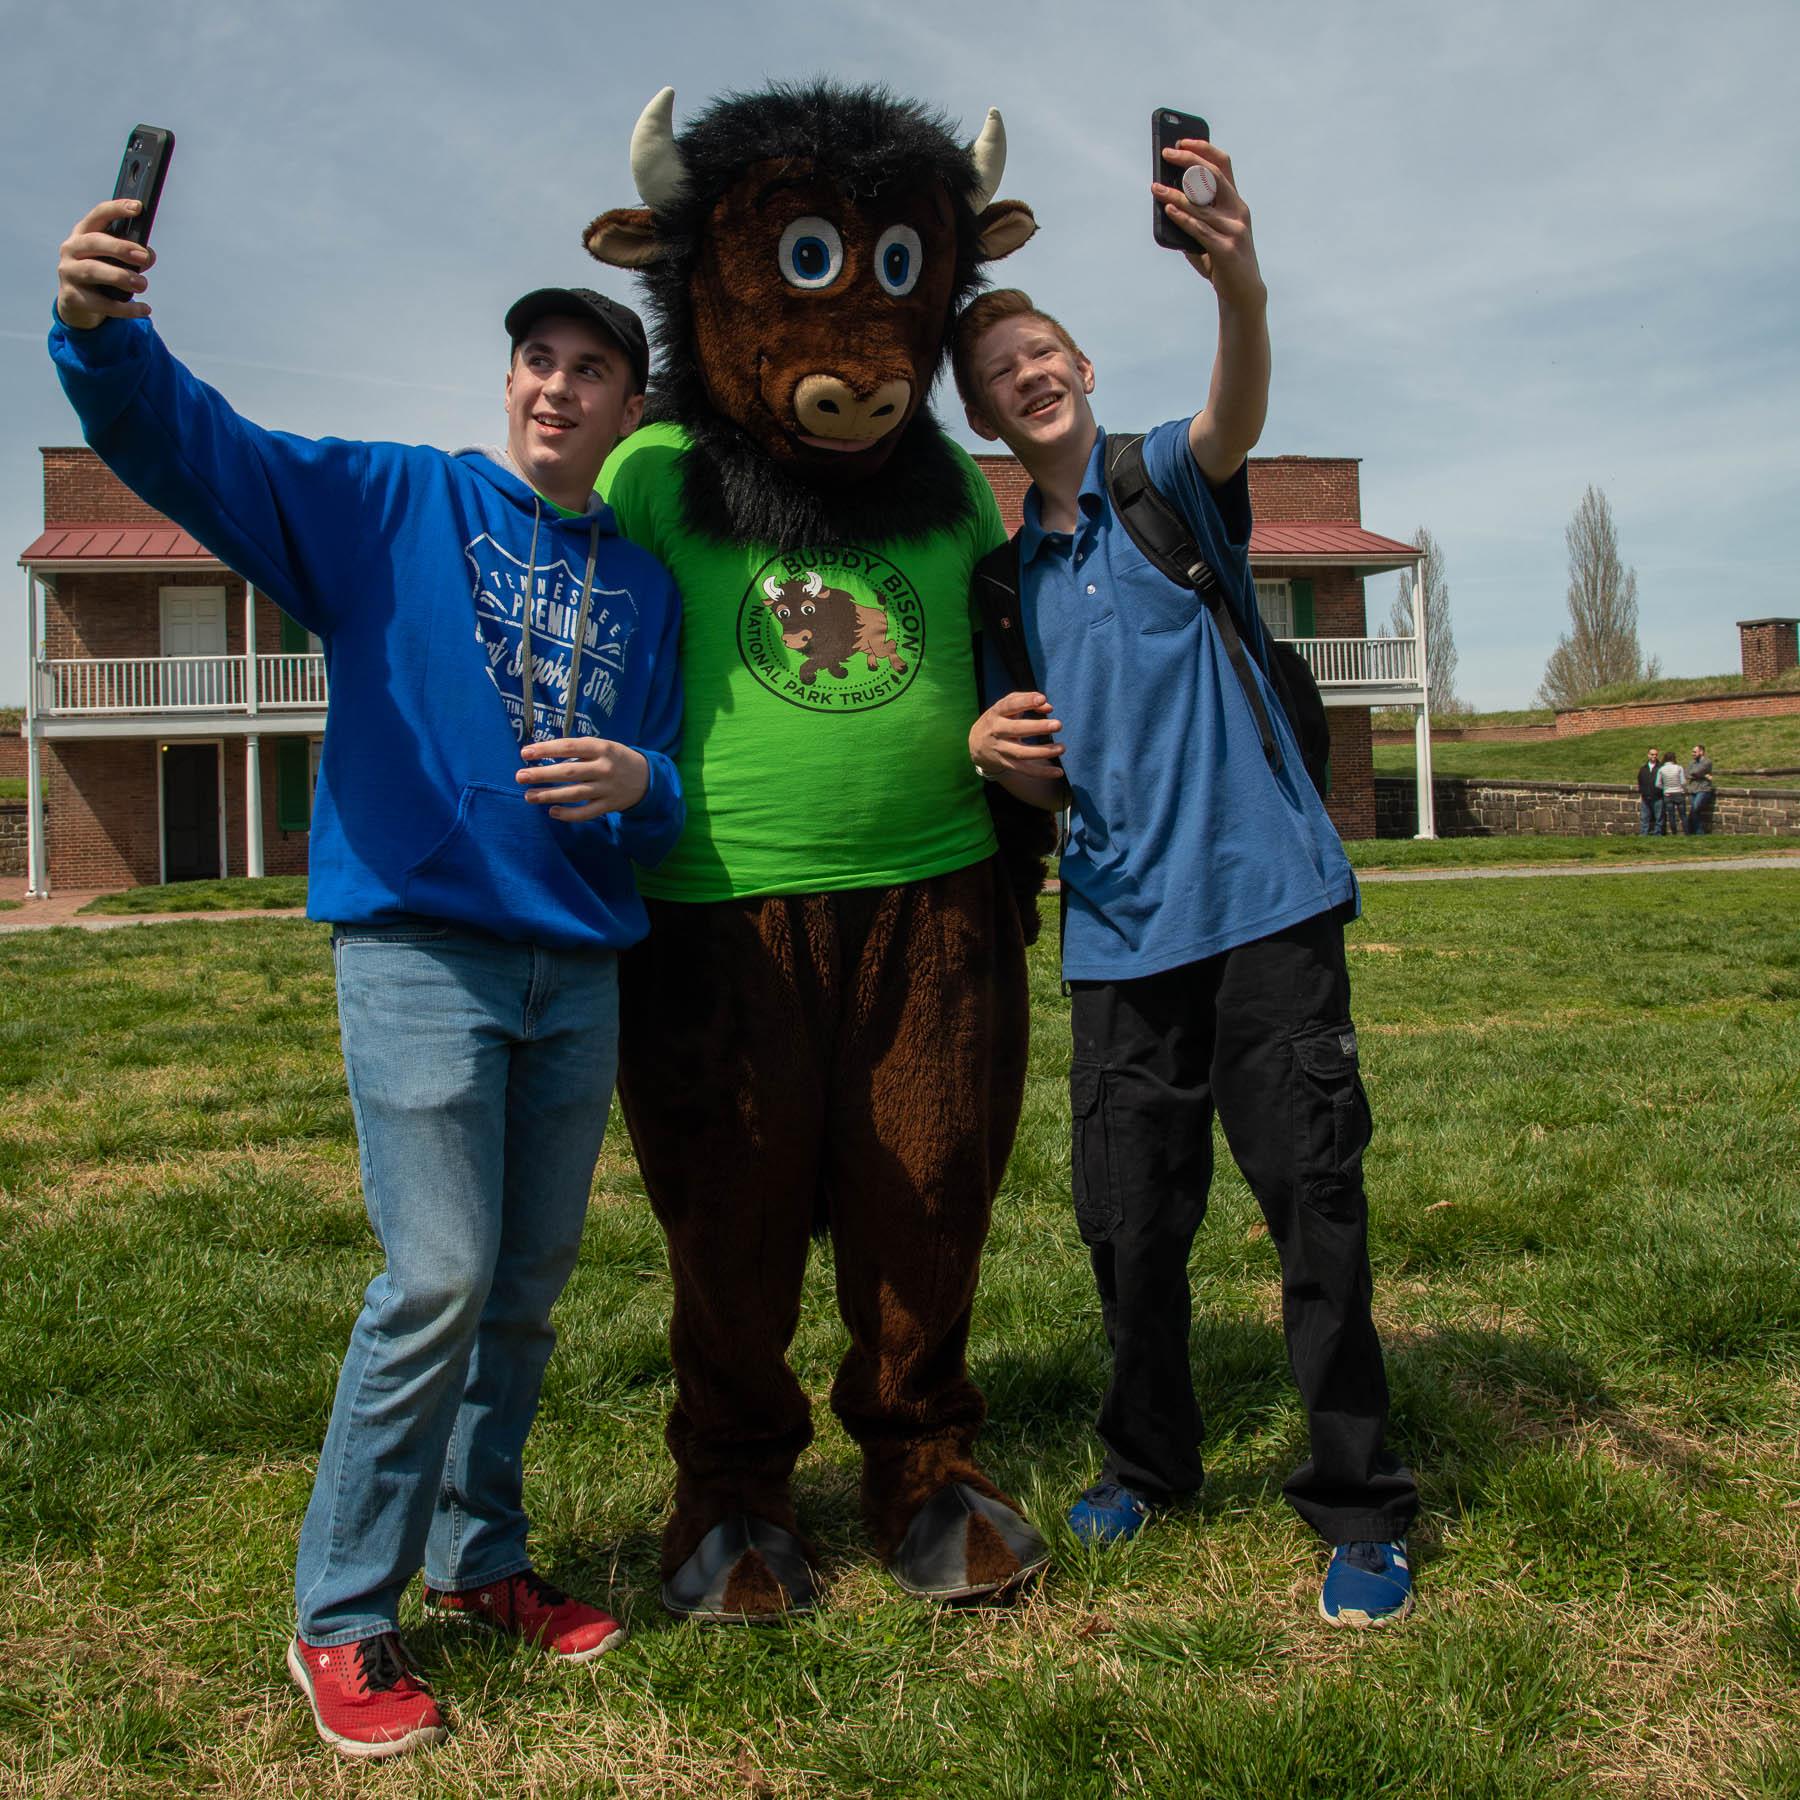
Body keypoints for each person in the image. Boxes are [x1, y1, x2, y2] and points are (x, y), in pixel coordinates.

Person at [52, 199, 685, 1759]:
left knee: (526, 1294)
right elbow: (201, 449)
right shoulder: (397, 505)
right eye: (536, 358)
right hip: (421, 951)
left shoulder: (648, 586)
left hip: (579, 968)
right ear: (514, 383)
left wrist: (641, 785)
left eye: (590, 367)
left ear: (630, 408)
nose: (555, 384)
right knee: (438, 1279)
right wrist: (101, 335)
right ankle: (341, 1613)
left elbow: (672, 777)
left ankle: (481, 1560)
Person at [953, 138, 1418, 1629]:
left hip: (1265, 908)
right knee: (1128, 1226)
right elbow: (1028, 767)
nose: (1028, 376)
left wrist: (1239, 277)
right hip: (1115, 935)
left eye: (1041, 350)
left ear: (1078, 363)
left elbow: (1239, 407)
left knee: (1314, 1213)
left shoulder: (1167, 477)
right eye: (1000, 372)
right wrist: (987, 747)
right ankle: (1151, 1466)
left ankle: (1357, 1507)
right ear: (980, 415)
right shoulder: (1004, 579)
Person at [1656, 749, 1688, 835]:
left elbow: (1657, 784)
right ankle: (1687, 833)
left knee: (1671, 815)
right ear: (1674, 758)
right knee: (1683, 815)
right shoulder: (1679, 768)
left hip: (1668, 794)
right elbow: (1683, 782)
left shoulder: (1661, 769)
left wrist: (1665, 789)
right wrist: (1683, 789)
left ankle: (1674, 833)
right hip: (1679, 793)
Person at [1686, 744, 1716, 835]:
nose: (1693, 754)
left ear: (1701, 752)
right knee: (1694, 811)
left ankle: (1699, 832)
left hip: (1703, 789)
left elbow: (1697, 771)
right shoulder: (1692, 762)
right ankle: (1696, 832)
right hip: (1693, 789)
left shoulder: (1707, 762)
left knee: (1695, 808)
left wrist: (1696, 774)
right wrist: (1704, 775)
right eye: (1692, 752)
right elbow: (1686, 774)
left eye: (1695, 752)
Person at [1637, 749, 1663, 835]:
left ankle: (1657, 834)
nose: (1654, 756)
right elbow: (1640, 781)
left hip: (1657, 796)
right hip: (1646, 796)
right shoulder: (1643, 769)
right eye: (1652, 754)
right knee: (1644, 817)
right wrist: (1643, 791)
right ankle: (1643, 834)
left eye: (1655, 755)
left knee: (1658, 817)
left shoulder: (1660, 767)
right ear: (1648, 755)